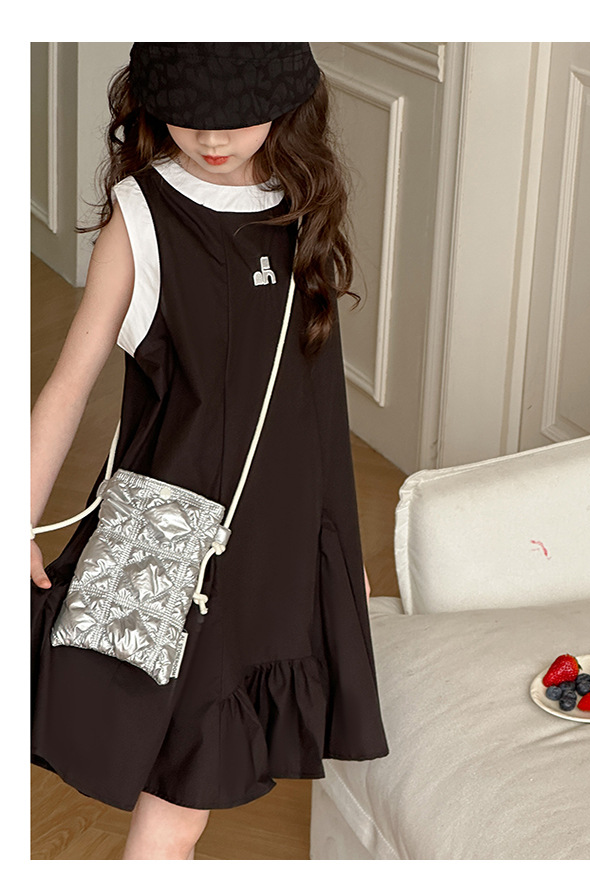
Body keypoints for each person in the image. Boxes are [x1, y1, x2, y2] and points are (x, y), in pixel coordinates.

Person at [30, 43, 389, 861]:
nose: (213, 137)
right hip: (180, 550)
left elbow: (312, 408)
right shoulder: (142, 214)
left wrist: (339, 552)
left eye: (237, 115)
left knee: (186, 800)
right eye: (190, 115)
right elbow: (69, 385)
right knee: (178, 805)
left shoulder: (301, 203)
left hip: (277, 550)